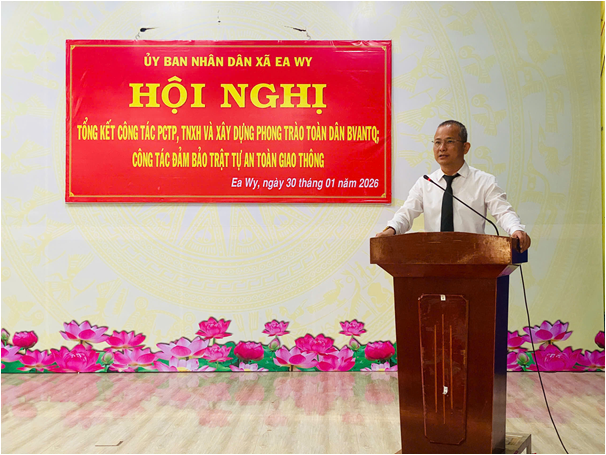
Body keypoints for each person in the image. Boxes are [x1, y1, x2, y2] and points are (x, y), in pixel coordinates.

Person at [375, 120, 531, 252]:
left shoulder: (484, 181)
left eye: (449, 141)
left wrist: (516, 229)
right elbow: (406, 213)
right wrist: (391, 230)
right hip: (433, 261)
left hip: (473, 260)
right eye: (437, 142)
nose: (442, 148)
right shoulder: (425, 183)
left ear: (465, 147)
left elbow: (503, 212)